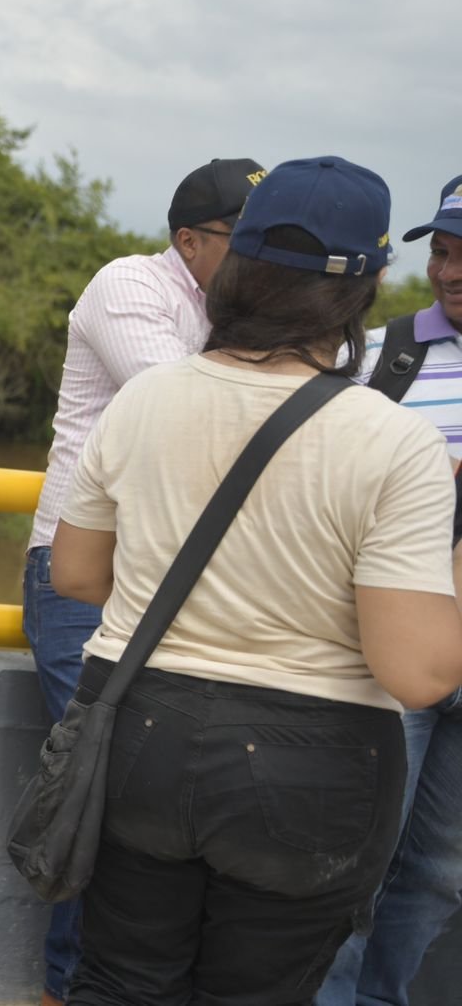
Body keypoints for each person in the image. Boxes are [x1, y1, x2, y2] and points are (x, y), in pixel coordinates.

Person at [50, 156, 462, 1004]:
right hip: (313, 764)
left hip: (141, 735)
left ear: (235, 265)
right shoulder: (393, 442)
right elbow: (415, 672)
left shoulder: (147, 397)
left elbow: (78, 573)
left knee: (120, 980)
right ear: (370, 282)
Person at [23, 156, 265, 1005]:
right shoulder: (130, 286)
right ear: (188, 239)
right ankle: (69, 987)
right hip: (85, 576)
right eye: (248, 237)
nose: (265, 256)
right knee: (102, 787)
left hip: (180, 579)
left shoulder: (239, 312)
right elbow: (189, 411)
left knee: (153, 792)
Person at [317, 174, 462, 1005]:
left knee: (440, 873)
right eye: (442, 251)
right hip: (394, 648)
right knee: (356, 862)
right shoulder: (388, 353)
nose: (449, 271)